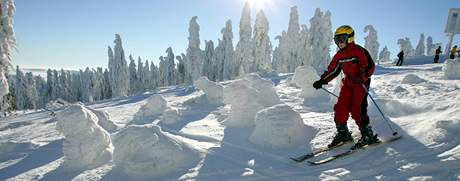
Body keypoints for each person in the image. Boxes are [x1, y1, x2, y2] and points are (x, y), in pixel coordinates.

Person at [312, 25, 380, 150]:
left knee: (357, 108)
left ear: (350, 38)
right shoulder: (339, 55)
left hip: (361, 83)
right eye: (337, 40)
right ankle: (343, 133)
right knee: (340, 107)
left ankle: (367, 134)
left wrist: (363, 76)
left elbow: (370, 66)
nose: (339, 42)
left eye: (342, 38)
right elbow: (333, 70)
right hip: (348, 83)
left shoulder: (359, 51)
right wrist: (322, 81)